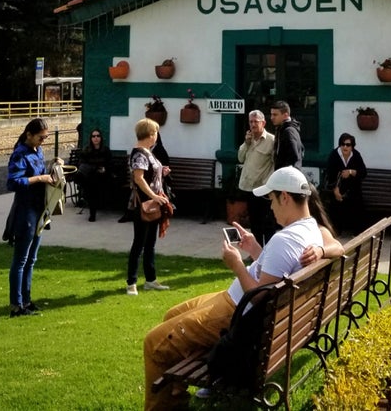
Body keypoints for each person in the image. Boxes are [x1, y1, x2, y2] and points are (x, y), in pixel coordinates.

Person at [141, 167, 344, 410]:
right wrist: (255, 249)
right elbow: (275, 276)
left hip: (235, 311)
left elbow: (260, 297)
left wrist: (237, 265)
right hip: (239, 305)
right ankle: (175, 389)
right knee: (172, 316)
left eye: (272, 200)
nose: (271, 207)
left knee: (154, 343)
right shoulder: (311, 228)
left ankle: (168, 406)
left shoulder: (285, 240)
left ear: (285, 197)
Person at [6, 117, 56, 317]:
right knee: (21, 260)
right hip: (25, 210)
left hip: (39, 208)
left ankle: (26, 300)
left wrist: (53, 165)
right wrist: (40, 178)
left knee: (32, 259)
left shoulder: (38, 150)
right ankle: (16, 305)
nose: (43, 141)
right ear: (29, 135)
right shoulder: (19, 154)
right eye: (41, 138)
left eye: (45, 138)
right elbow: (13, 183)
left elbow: (42, 172)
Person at [127, 117, 173, 296]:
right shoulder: (139, 153)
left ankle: (150, 280)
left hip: (154, 204)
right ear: (150, 134)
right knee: (139, 243)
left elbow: (149, 173)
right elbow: (138, 178)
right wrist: (154, 195)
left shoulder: (148, 151)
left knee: (150, 243)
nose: (156, 136)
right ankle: (131, 283)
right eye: (155, 132)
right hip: (143, 204)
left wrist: (162, 172)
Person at [237, 110, 275, 244]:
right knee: (254, 223)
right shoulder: (249, 139)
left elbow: (275, 164)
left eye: (256, 122)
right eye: (251, 121)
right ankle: (257, 253)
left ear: (263, 123)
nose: (253, 125)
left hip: (264, 188)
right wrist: (246, 143)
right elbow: (240, 158)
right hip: (249, 187)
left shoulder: (271, 140)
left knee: (267, 223)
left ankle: (269, 252)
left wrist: (268, 184)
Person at [324, 132, 367, 235]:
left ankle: (358, 233)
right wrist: (335, 190)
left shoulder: (356, 155)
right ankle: (336, 232)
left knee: (358, 203)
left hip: (353, 189)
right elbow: (330, 174)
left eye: (348, 145)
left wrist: (351, 172)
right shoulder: (334, 155)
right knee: (335, 203)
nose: (345, 147)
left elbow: (363, 172)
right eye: (342, 144)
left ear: (352, 146)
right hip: (338, 187)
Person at [78, 127, 111, 222]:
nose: (96, 138)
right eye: (93, 136)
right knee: (91, 184)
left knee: (93, 183)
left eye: (98, 136)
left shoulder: (105, 150)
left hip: (103, 176)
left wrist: (105, 169)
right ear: (91, 138)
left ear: (101, 138)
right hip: (90, 176)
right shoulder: (87, 150)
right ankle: (92, 213)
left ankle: (92, 212)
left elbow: (109, 164)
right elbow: (82, 164)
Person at [270, 100, 303, 170]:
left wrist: (284, 173)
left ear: (285, 115)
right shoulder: (281, 129)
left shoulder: (289, 131)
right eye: (271, 114)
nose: (271, 117)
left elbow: (294, 156)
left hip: (288, 176)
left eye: (275, 115)